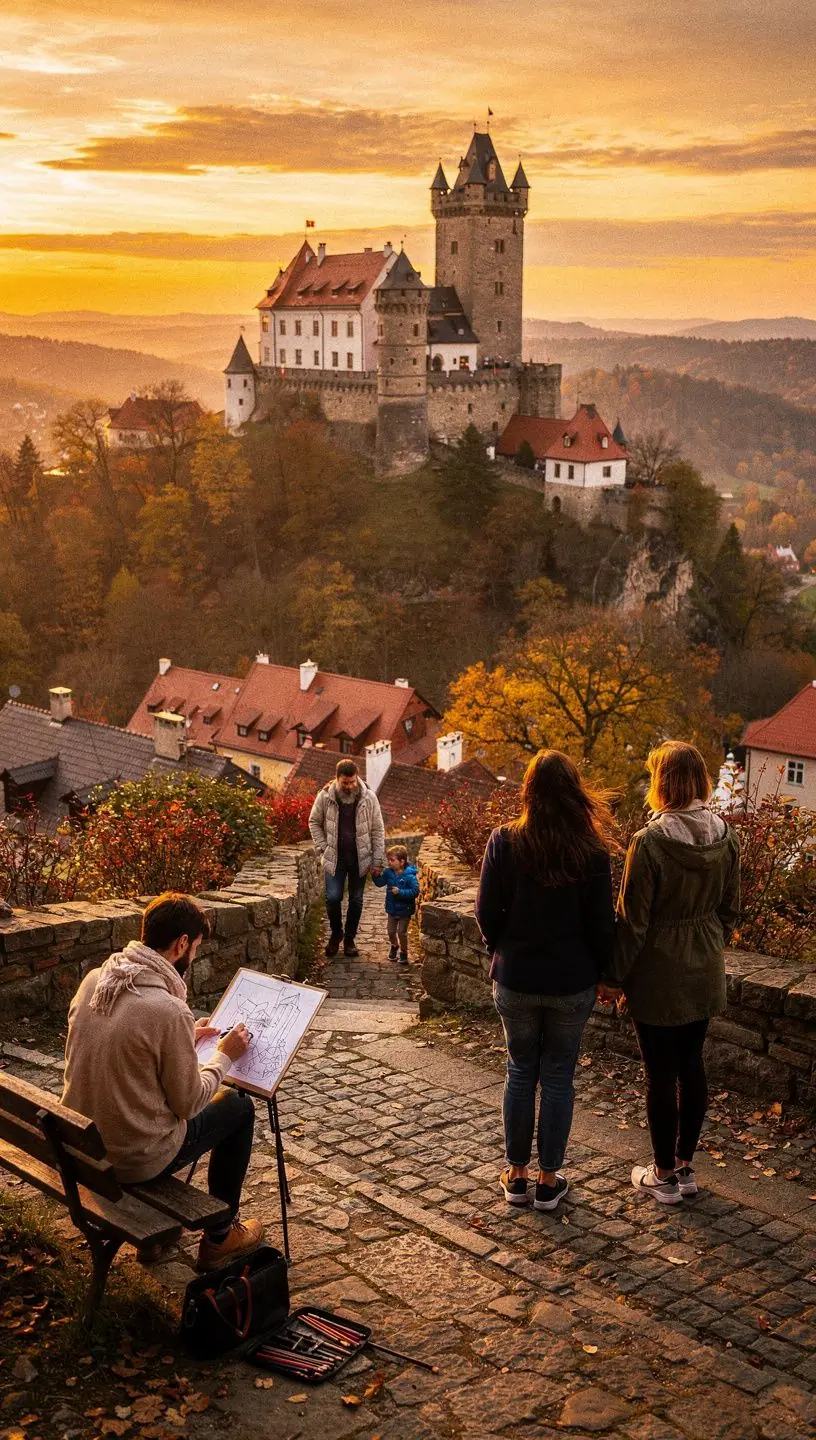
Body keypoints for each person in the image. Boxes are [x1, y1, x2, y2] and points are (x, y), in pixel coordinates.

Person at [62, 892, 266, 1271]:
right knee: (238, 1106)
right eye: (196, 948)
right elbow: (189, 1104)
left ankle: (155, 1239)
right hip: (132, 1160)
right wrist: (225, 1054)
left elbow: (126, 1047)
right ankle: (221, 1237)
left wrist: (185, 1037)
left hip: (82, 1146)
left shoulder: (96, 980)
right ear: (182, 944)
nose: (194, 957)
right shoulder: (167, 1008)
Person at [476, 750, 616, 1212]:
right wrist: (606, 975)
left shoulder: (505, 840)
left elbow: (485, 912)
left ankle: (515, 1176)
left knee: (520, 1070)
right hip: (571, 982)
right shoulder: (591, 852)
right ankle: (548, 1181)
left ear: (529, 791)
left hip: (516, 977)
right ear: (573, 791)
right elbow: (601, 926)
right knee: (557, 1076)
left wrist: (504, 949)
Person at [607, 741, 740, 1205]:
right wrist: (705, 942)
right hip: (704, 966)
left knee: (659, 1073)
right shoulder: (726, 835)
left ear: (661, 782)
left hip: (658, 971)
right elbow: (729, 910)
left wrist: (614, 976)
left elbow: (633, 921)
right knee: (692, 1065)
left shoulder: (649, 843)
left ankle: (662, 1173)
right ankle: (686, 1167)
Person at [308, 758, 387, 958]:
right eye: (345, 782)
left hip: (361, 858)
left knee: (356, 899)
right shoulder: (325, 797)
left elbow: (378, 830)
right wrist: (323, 847)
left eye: (352, 782)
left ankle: (350, 939)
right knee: (333, 897)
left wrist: (377, 860)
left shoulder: (369, 798)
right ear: (337, 779)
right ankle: (336, 934)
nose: (350, 786)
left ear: (357, 778)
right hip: (334, 857)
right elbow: (314, 822)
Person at [372, 844, 420, 965]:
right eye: (389, 860)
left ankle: (404, 953)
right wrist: (375, 875)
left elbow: (415, 891)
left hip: (405, 909)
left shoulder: (410, 875)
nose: (389, 862)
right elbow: (379, 883)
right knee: (391, 931)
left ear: (402, 861)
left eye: (392, 860)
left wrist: (400, 892)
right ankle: (394, 945)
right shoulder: (388, 873)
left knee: (401, 932)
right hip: (392, 909)